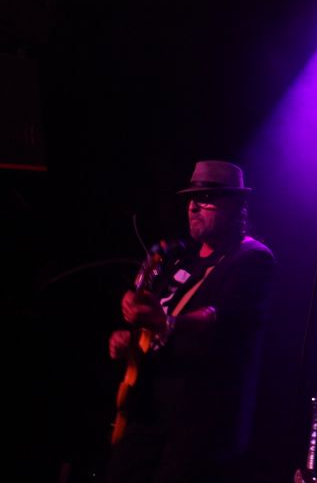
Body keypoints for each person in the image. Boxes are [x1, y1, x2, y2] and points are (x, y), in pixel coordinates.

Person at [105, 160, 275, 483]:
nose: (193, 207)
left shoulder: (253, 258)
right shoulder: (181, 261)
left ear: (236, 205)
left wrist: (165, 322)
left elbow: (218, 317)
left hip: (198, 420)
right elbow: (156, 322)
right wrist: (131, 338)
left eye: (206, 198)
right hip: (150, 412)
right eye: (191, 198)